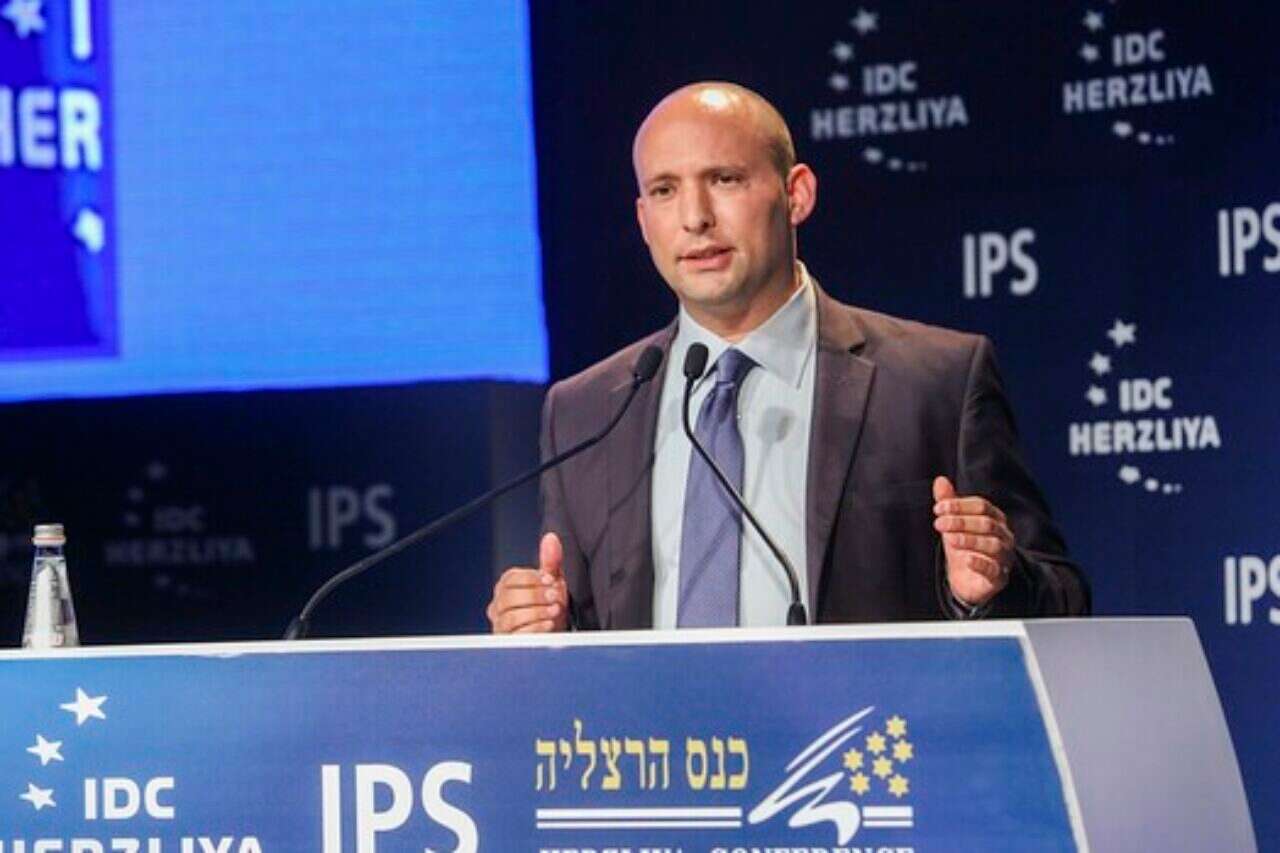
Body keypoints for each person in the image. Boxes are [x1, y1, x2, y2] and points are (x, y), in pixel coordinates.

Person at [487, 82, 1088, 633]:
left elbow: (1064, 599)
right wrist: (544, 630)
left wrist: (989, 587)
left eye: (725, 179)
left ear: (796, 194)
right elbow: (584, 635)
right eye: (665, 190)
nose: (695, 218)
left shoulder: (937, 382)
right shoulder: (585, 411)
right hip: (656, 724)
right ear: (644, 220)